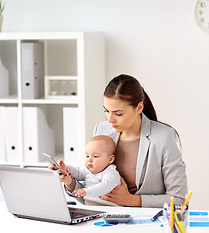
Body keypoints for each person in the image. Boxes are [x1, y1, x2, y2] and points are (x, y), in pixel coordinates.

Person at [54, 74, 188, 208]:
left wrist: (132, 200)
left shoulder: (163, 137)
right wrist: (69, 180)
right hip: (104, 217)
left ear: (139, 108)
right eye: (107, 111)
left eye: (118, 113)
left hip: (145, 221)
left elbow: (178, 200)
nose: (110, 119)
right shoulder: (102, 130)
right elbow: (91, 188)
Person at [49, 135, 121, 206]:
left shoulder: (111, 172)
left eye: (95, 156)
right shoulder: (88, 170)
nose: (89, 159)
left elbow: (105, 186)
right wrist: (66, 168)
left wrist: (87, 191)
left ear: (110, 159)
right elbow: (78, 173)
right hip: (90, 206)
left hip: (109, 208)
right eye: (87, 156)